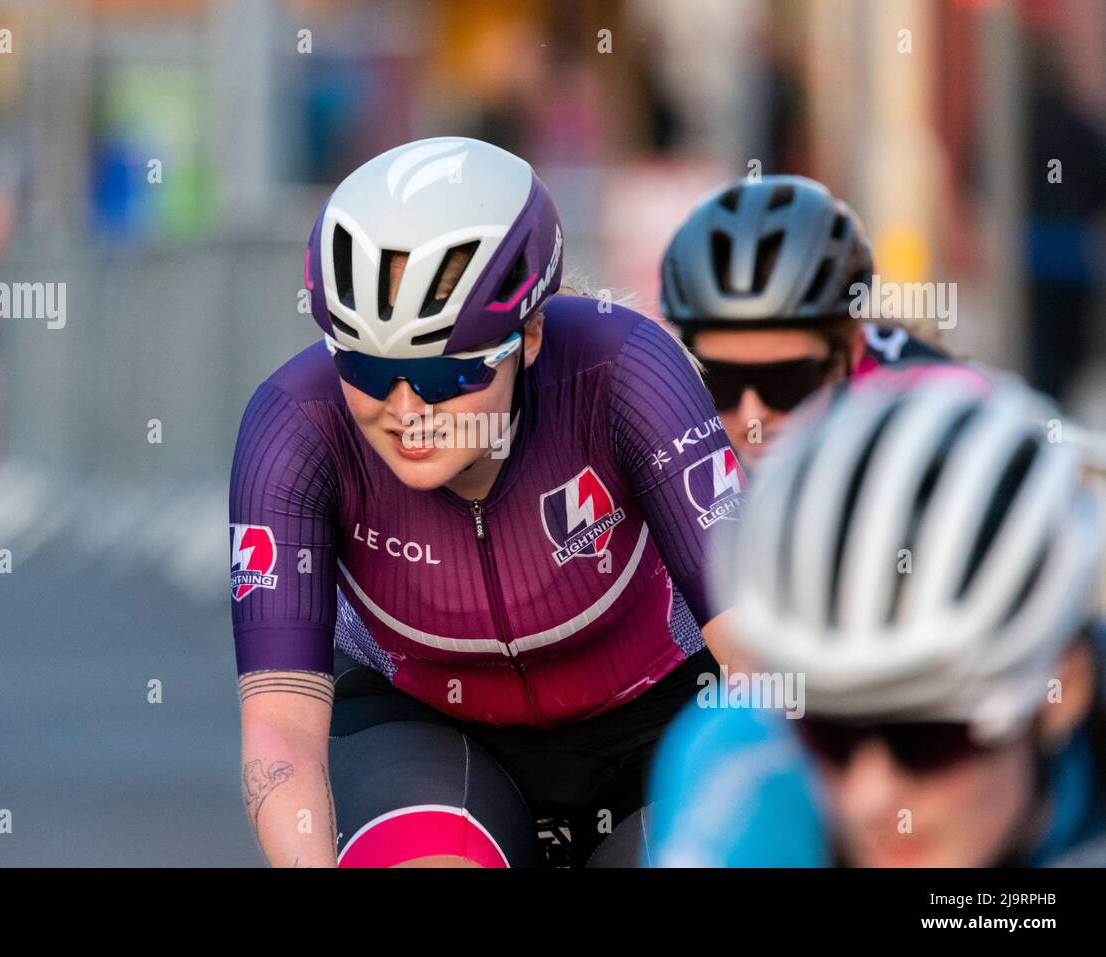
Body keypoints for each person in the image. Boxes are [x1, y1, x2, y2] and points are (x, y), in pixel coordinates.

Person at [230, 136, 738, 867]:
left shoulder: (624, 370)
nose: (406, 409)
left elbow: (761, 656)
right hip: (428, 729)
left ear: (529, 334)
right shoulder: (295, 424)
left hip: (655, 724)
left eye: (446, 376)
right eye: (370, 368)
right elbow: (280, 725)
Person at [707, 372, 1106, 866]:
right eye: (829, 735)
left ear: (1063, 688)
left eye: (926, 740)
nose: (867, 798)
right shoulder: (735, 769)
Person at [659, 174, 945, 471]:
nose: (752, 418)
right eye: (719, 383)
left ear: (853, 352)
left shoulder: (929, 424)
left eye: (787, 383)